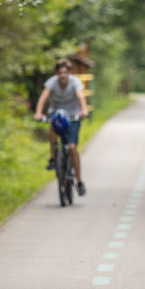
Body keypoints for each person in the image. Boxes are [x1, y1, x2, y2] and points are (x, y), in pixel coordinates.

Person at [34, 59, 89, 196]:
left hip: (73, 116)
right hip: (57, 115)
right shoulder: (52, 82)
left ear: (70, 73)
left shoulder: (75, 82)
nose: (63, 75)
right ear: (56, 73)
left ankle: (79, 180)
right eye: (60, 72)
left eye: (65, 72)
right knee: (53, 134)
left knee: (72, 147)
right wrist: (38, 113)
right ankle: (54, 159)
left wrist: (84, 110)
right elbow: (43, 98)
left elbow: (80, 96)